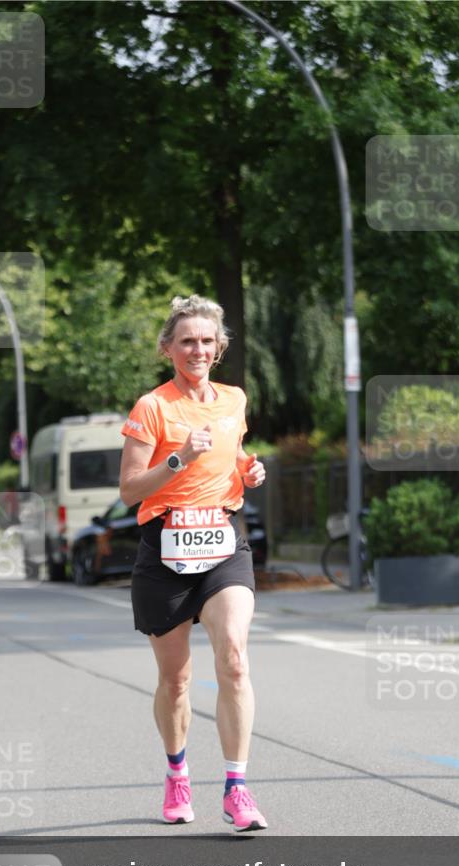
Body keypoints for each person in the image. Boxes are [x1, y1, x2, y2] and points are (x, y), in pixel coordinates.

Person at [119, 294, 268, 833]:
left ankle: (237, 788)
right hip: (166, 547)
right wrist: (179, 456)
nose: (197, 349)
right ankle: (178, 774)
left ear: (220, 348)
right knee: (176, 680)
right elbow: (130, 490)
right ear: (168, 349)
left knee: (233, 658)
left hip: (222, 543)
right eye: (187, 341)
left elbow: (235, 453)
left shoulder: (233, 399)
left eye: (207, 341)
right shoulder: (151, 407)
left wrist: (250, 471)